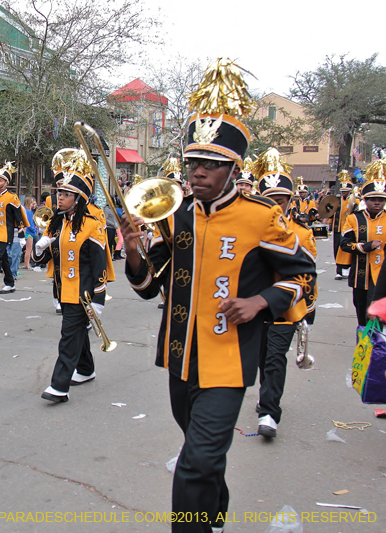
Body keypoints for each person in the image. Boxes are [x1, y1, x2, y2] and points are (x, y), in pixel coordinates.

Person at [119, 59, 315, 533]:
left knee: (193, 463)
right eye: (194, 163)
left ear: (233, 168)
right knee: (201, 450)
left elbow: (303, 278)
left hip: (229, 359)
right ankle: (215, 510)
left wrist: (259, 302)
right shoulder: (173, 215)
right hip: (179, 356)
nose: (199, 172)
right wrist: (132, 250)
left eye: (212, 164)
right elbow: (148, 288)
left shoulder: (260, 217)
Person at [252, 148, 318, 439]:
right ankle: (265, 394)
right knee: (261, 357)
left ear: (291, 202)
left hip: (287, 307)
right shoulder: (250, 228)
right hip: (254, 305)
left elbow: (309, 273)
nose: (276, 206)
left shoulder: (301, 233)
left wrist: (309, 308)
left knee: (276, 358)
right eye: (270, 200)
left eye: (281, 200)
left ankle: (269, 411)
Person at [32, 149, 107, 402]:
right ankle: (86, 369)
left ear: (79, 197)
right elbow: (41, 259)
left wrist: (99, 300)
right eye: (59, 193)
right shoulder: (56, 222)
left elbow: (100, 267)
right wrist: (39, 247)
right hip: (63, 288)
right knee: (76, 333)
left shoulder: (92, 224)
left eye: (65, 194)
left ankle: (59, 385)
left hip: (83, 291)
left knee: (68, 335)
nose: (60, 198)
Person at [338, 159, 386, 327]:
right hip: (360, 274)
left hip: (382, 277)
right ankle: (364, 349)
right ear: (365, 200)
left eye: (381, 199)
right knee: (362, 316)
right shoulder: (354, 219)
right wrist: (366, 247)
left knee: (379, 317)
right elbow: (344, 244)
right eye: (373, 199)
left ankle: (378, 350)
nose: (377, 202)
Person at [0, 162, 29, 298]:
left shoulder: (11, 197)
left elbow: (18, 213)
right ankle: (10, 282)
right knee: (2, 258)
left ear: (6, 182)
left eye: (1, 180)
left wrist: (21, 227)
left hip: (6, 232)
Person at [330, 171, 357, 280]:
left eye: (346, 191)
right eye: (342, 191)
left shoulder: (355, 201)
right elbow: (330, 213)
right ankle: (339, 271)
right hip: (338, 228)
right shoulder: (337, 201)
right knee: (337, 249)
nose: (344, 193)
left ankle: (348, 269)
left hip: (349, 229)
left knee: (349, 249)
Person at [23, 196, 38, 269]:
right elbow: (29, 223)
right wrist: (34, 230)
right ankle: (27, 264)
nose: (33, 205)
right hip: (29, 232)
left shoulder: (26, 210)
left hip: (28, 231)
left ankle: (27, 263)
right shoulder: (28, 211)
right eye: (32, 203)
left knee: (28, 249)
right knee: (29, 249)